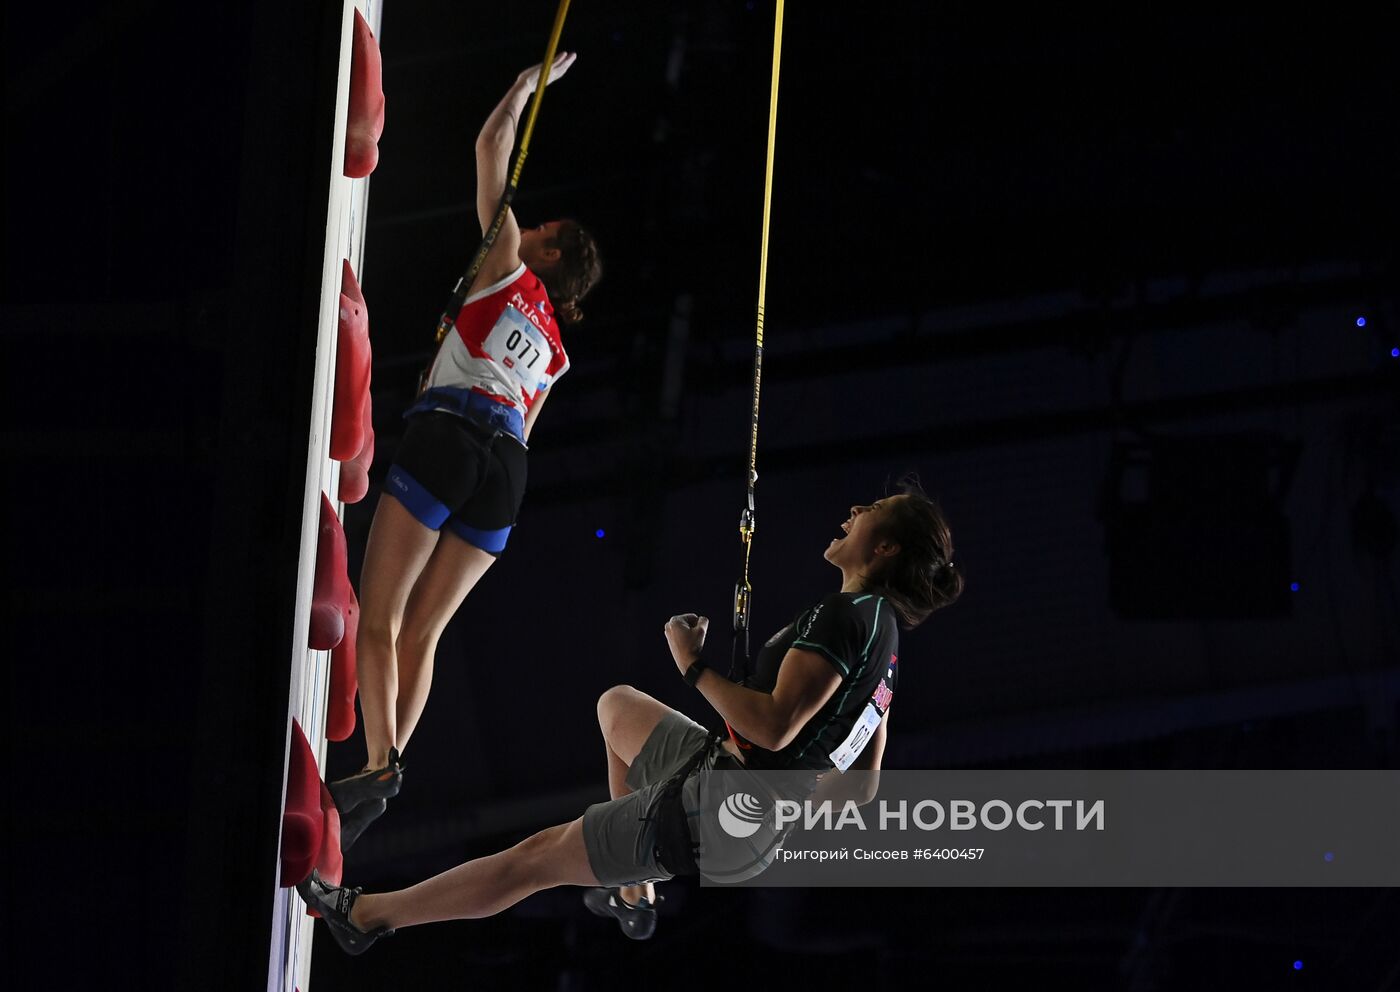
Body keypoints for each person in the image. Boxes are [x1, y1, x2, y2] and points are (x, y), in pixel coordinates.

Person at [300, 482, 963, 952]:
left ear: (885, 551)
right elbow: (861, 788)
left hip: (723, 809)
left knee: (537, 858)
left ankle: (368, 916)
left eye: (872, 510)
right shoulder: (887, 646)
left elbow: (773, 726)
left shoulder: (846, 618)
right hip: (734, 786)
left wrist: (694, 667)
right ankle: (634, 893)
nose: (854, 510)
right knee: (618, 708)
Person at [328, 52, 604, 847]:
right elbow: (524, 426)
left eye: (542, 228)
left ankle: (381, 764)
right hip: (505, 474)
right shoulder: (557, 353)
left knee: (379, 618)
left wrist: (521, 89)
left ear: (547, 254)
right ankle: (385, 765)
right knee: (425, 633)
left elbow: (491, 150)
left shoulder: (507, 262)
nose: (531, 223)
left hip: (453, 432)